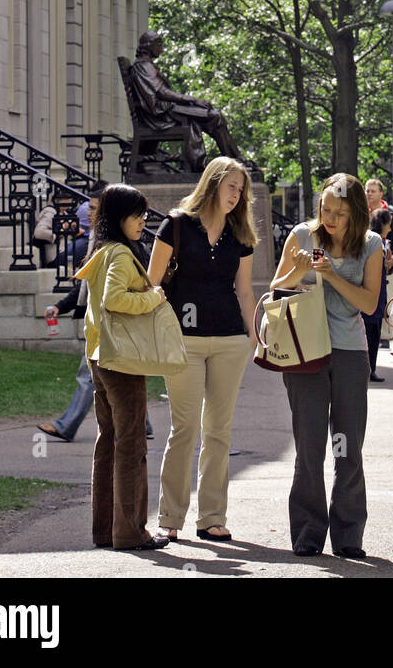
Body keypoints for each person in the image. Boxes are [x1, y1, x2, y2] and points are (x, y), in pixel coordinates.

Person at [271, 173, 383, 558]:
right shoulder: (302, 235)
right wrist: (299, 271)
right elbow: (276, 291)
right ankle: (308, 531)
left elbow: (369, 305)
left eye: (340, 212)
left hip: (350, 351)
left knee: (347, 445)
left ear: (358, 214)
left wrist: (332, 275)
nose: (331, 218)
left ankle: (349, 533)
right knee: (310, 444)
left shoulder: (371, 244)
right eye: (326, 209)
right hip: (305, 350)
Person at [147, 157, 257, 543]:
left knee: (219, 431)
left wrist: (252, 335)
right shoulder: (176, 225)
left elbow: (244, 290)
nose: (237, 195)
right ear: (212, 184)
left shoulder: (240, 234)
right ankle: (169, 517)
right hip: (183, 342)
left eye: (241, 189)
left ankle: (211, 517)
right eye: (231, 186)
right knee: (185, 428)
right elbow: (152, 283)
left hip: (229, 340)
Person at [75, 185, 169, 551]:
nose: (143, 221)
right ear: (118, 218)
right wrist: (153, 296)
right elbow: (115, 299)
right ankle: (131, 531)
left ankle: (106, 530)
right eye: (137, 214)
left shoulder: (101, 251)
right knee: (130, 445)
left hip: (99, 355)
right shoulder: (118, 255)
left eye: (144, 214)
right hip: (121, 359)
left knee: (110, 442)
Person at [38, 184, 154, 443]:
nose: (88, 213)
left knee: (93, 377)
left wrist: (153, 298)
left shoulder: (117, 250)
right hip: (109, 327)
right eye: (88, 208)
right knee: (125, 377)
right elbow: (87, 285)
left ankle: (68, 425)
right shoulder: (106, 244)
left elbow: (122, 294)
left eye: (94, 208)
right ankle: (141, 424)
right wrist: (62, 306)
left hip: (111, 328)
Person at [130, 31, 239, 173]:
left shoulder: (147, 65)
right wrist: (193, 99)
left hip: (168, 111)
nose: (161, 48)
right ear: (149, 45)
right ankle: (232, 162)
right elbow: (162, 93)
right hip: (162, 115)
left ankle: (229, 161)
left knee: (211, 117)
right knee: (215, 116)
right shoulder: (143, 66)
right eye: (159, 44)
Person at [364, 207, 392, 382]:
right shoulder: (372, 242)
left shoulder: (383, 242)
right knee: (369, 335)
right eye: (388, 223)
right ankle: (367, 369)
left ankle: (371, 369)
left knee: (374, 334)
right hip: (372, 295)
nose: (390, 227)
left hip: (379, 294)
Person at [365, 178, 393, 268]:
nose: (369, 194)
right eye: (367, 191)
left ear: (381, 194)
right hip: (365, 264)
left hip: (388, 265)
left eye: (373, 191)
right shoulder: (361, 213)